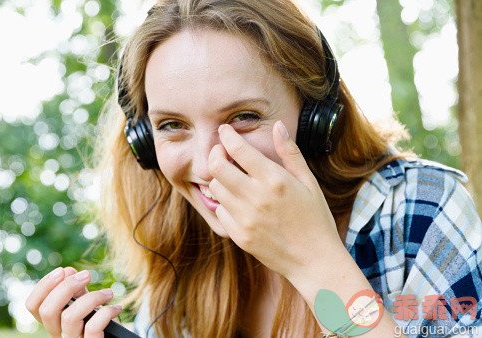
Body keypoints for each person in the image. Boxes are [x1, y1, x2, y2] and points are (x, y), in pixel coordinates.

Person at [25, 0, 482, 337]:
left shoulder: (420, 208)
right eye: (172, 125)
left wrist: (314, 259)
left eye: (244, 117)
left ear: (316, 117)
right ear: (144, 141)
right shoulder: (182, 254)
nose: (208, 164)